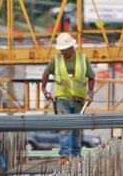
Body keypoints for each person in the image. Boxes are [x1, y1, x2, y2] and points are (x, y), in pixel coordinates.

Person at [41, 32, 95, 160]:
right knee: (64, 125)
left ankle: (76, 154)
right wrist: (44, 89)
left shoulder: (83, 59)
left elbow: (91, 77)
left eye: (65, 50)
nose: (63, 52)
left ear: (71, 47)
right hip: (62, 98)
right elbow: (46, 73)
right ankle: (65, 155)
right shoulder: (56, 60)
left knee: (77, 129)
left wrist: (90, 92)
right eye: (62, 50)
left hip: (79, 99)